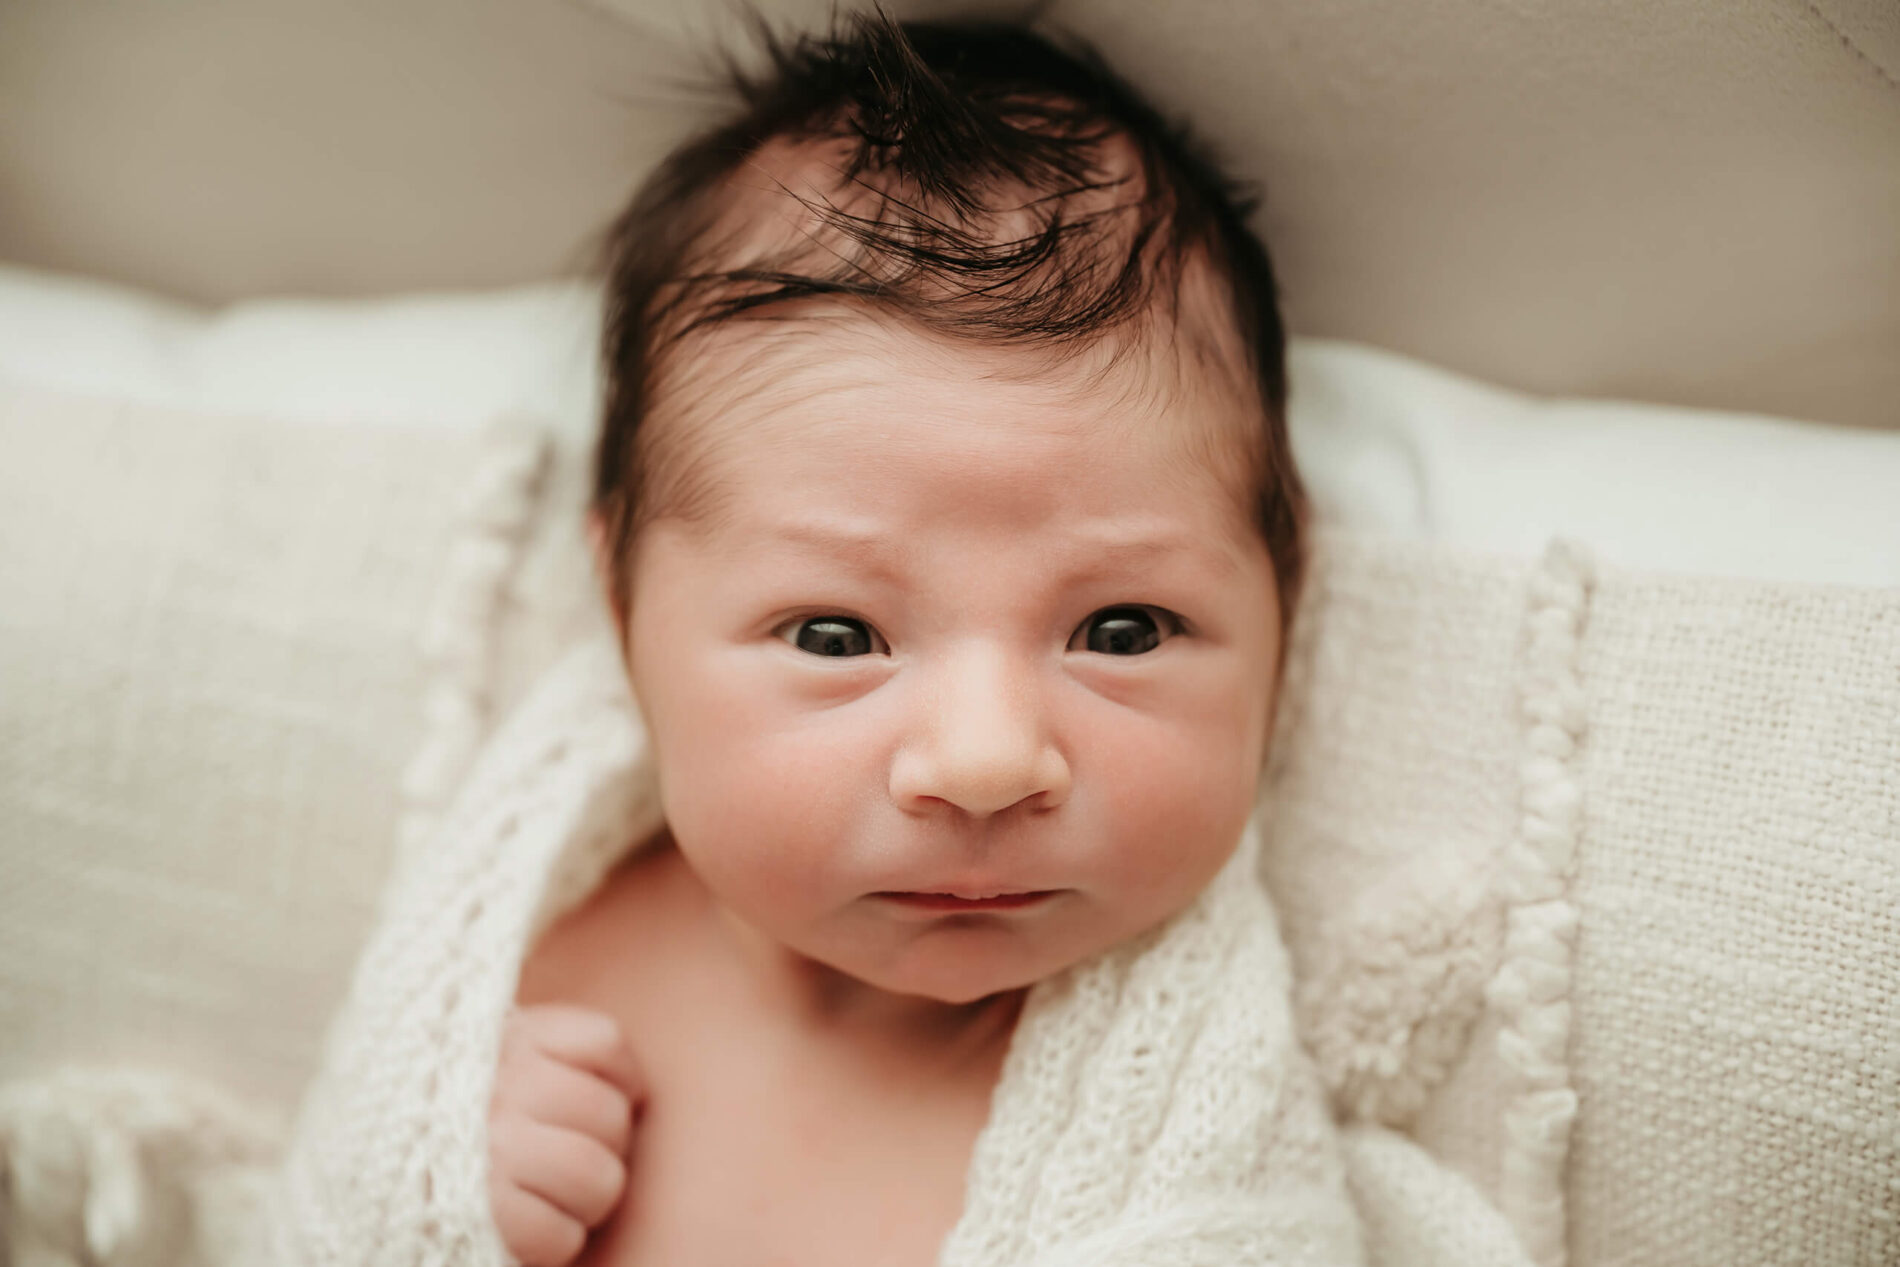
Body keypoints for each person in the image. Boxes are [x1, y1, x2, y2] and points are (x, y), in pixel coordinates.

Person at [270, 12, 1370, 1266]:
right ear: (624, 613)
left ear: (1288, 591)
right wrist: (423, 1196)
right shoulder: (531, 984)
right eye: (838, 635)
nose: (984, 761)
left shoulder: (1187, 1160)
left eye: (1121, 630)